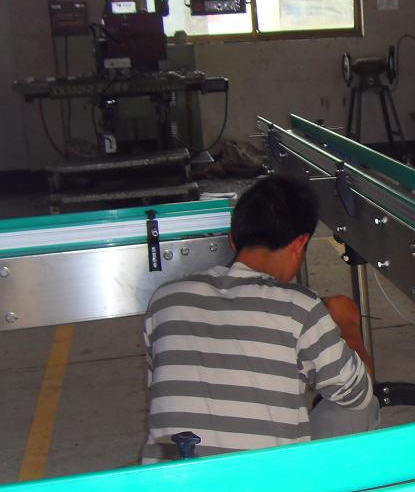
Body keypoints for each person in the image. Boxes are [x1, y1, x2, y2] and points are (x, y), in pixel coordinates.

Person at [141, 174, 378, 463]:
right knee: (358, 405)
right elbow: (358, 393)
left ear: (233, 240)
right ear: (299, 244)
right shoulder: (299, 306)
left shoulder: (165, 299)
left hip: (169, 484)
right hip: (263, 484)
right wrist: (347, 324)